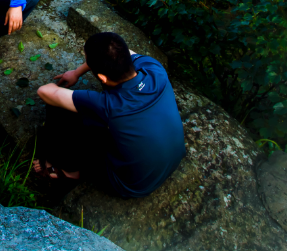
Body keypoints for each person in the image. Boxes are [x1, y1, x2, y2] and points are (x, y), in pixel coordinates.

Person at [33, 31, 185, 198]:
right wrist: (77, 72)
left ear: (102, 78)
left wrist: (77, 74)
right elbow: (126, 52)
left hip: (130, 185)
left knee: (58, 108)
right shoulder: (155, 69)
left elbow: (45, 92)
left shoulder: (109, 105)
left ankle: (70, 171)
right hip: (172, 161)